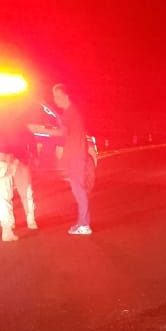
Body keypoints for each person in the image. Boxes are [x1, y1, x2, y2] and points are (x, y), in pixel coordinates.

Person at [51, 83, 92, 235]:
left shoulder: (69, 113)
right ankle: (82, 222)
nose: (55, 100)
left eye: (57, 96)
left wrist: (43, 130)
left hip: (76, 156)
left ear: (65, 96)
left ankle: (84, 224)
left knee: (78, 190)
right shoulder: (72, 111)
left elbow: (62, 132)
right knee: (78, 189)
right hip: (76, 155)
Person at [0, 110, 37, 241]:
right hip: (13, 160)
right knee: (24, 192)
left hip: (8, 160)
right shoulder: (20, 125)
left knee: (5, 196)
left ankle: (9, 226)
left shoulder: (7, 125)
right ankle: (26, 221)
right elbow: (30, 142)